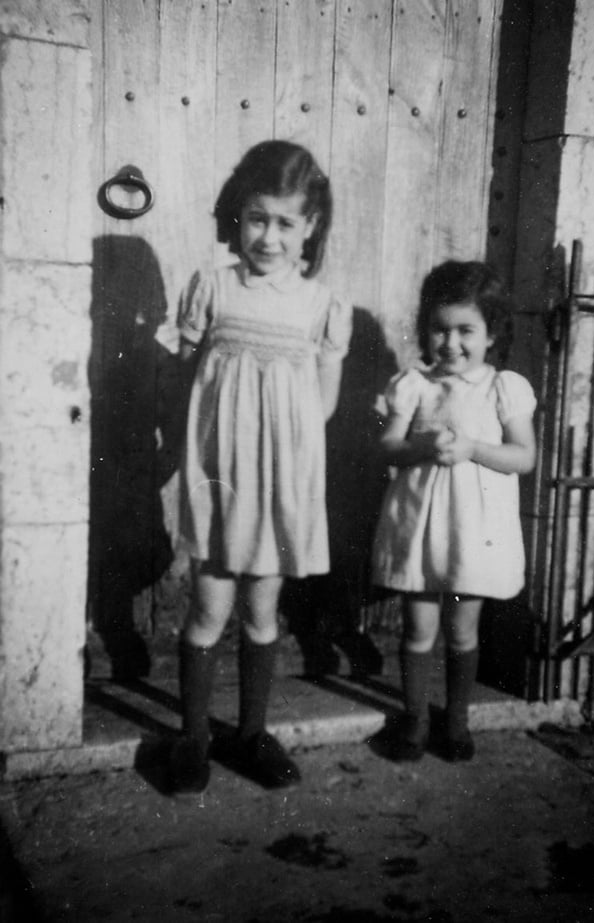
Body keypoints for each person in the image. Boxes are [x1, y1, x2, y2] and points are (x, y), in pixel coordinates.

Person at [170, 140, 352, 793]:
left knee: (261, 613)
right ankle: (192, 736)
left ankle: (249, 733)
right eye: (256, 219)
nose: (268, 236)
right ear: (236, 218)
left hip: (278, 492)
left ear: (309, 226)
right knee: (208, 608)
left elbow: (322, 405)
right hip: (220, 485)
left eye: (284, 222)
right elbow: (186, 378)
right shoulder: (213, 289)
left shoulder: (320, 305)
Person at [371, 260, 536, 762]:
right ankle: (416, 718)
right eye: (440, 329)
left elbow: (523, 456)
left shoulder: (503, 387)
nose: (451, 343)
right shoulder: (415, 384)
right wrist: (422, 444)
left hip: (473, 530)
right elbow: (388, 447)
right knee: (419, 628)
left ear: (491, 335)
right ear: (425, 331)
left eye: (466, 330)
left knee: (462, 629)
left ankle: (457, 720)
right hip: (421, 526)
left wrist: (472, 449)